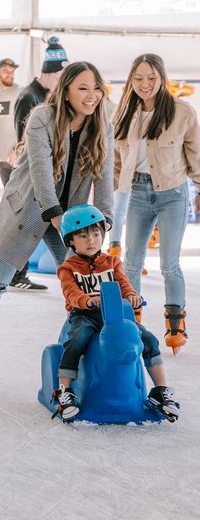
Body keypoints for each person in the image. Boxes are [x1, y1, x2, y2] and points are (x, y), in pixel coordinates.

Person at [0, 61, 114, 380]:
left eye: (97, 88)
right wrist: (56, 217)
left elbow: (103, 176)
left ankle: (82, 354)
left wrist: (105, 222)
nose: (92, 96)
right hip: (28, 209)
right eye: (83, 88)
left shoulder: (103, 122)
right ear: (66, 91)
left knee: (87, 282)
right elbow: (40, 173)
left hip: (72, 218)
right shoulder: (42, 118)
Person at [53, 204, 179, 422]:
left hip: (116, 315)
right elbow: (70, 293)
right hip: (85, 314)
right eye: (83, 236)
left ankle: (160, 390)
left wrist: (131, 296)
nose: (91, 240)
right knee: (77, 339)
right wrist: (86, 300)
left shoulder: (112, 262)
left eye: (95, 233)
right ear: (70, 241)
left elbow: (123, 284)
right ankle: (65, 392)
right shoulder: (68, 267)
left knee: (147, 339)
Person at [112, 53, 200, 354]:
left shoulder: (181, 111)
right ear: (131, 80)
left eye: (151, 78)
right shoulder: (124, 113)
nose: (145, 84)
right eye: (138, 78)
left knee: (169, 264)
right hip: (136, 192)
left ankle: (176, 324)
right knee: (132, 262)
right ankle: (132, 321)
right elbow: (115, 159)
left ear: (161, 77)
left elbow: (195, 153)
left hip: (172, 193)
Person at [7, 37, 69, 292]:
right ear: (50, 73)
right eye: (61, 76)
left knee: (40, 223)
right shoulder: (29, 96)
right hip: (26, 170)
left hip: (43, 169)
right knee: (25, 223)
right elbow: (23, 138)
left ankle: (67, 270)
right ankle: (15, 274)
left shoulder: (45, 96)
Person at [0, 58, 21, 186]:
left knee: (22, 199)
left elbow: (28, 122)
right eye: (6, 71)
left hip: (18, 156)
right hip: (1, 157)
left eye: (12, 71)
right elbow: (0, 123)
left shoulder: (21, 92)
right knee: (8, 199)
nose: (10, 74)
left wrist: (18, 148)